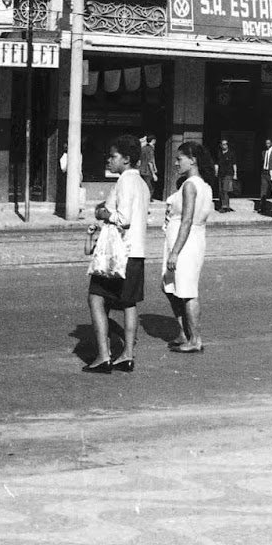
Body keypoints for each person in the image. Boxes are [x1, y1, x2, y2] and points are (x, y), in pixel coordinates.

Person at [84, 133, 150, 373]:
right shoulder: (142, 184)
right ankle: (127, 355)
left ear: (126, 159)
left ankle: (104, 356)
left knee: (96, 297)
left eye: (113, 156)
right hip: (137, 252)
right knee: (129, 302)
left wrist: (103, 214)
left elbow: (124, 219)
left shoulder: (124, 181)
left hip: (118, 254)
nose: (109, 160)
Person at [163, 141, 215, 353]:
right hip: (189, 240)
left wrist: (175, 252)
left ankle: (195, 339)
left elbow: (187, 220)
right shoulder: (203, 186)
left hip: (185, 243)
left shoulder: (190, 185)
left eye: (179, 159)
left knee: (187, 289)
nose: (176, 163)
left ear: (192, 160)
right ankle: (185, 332)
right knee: (170, 285)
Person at [215, 139, 237, 212]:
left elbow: (234, 164)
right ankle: (224, 205)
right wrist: (216, 172)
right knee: (221, 190)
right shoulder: (219, 153)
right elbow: (216, 164)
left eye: (226, 144)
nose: (224, 145)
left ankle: (225, 206)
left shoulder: (231, 153)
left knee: (225, 189)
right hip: (220, 173)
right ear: (221, 145)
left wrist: (235, 174)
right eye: (223, 144)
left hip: (228, 173)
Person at [138, 133, 159, 201]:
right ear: (153, 140)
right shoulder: (150, 149)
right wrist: (153, 174)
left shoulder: (143, 148)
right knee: (150, 188)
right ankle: (147, 201)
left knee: (143, 186)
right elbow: (150, 162)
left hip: (141, 170)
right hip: (147, 171)